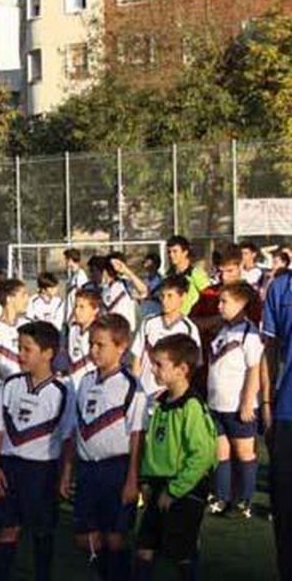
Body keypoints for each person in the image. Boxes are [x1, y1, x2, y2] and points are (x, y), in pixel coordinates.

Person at [59, 315, 145, 581]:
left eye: (101, 345)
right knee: (86, 537)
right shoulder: (84, 381)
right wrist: (67, 471)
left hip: (116, 470)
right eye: (91, 344)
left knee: (115, 537)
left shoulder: (131, 386)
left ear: (121, 347)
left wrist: (132, 479)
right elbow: (75, 429)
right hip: (87, 470)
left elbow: (137, 436)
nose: (93, 350)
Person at [0, 321, 74, 581]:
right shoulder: (10, 384)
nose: (20, 354)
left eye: (27, 349)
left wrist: (65, 475)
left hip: (42, 471)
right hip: (9, 466)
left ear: (48, 353)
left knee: (42, 530)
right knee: (7, 528)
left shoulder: (62, 391)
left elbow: (68, 437)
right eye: (19, 348)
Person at [135, 334, 217, 581]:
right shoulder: (160, 401)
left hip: (182, 488)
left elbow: (203, 455)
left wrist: (175, 490)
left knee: (180, 551)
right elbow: (155, 447)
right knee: (144, 548)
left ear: (181, 369)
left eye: (160, 364)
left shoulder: (191, 406)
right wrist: (147, 480)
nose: (154, 369)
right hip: (159, 485)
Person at [206, 282, 263, 519]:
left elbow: (254, 369)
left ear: (241, 304)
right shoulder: (224, 329)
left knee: (244, 453)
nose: (219, 306)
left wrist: (248, 401)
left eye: (224, 302)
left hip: (237, 405)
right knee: (221, 453)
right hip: (217, 403)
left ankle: (244, 501)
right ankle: (222, 497)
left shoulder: (249, 333)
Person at [263, 249, 292, 579]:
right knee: (285, 510)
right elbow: (268, 351)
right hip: (286, 413)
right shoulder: (280, 289)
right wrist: (267, 405)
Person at [131, 276, 201, 399]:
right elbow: (137, 358)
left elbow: (193, 367)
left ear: (182, 297)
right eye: (162, 296)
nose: (164, 301)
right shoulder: (149, 322)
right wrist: (136, 387)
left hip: (171, 396)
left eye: (170, 296)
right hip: (144, 392)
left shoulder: (189, 329)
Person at [58, 291, 100, 389]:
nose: (76, 311)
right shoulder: (73, 330)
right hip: (71, 386)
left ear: (95, 310)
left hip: (91, 387)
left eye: (82, 307)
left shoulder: (100, 333)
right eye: (76, 306)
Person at [166, 236, 211, 315]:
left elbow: (209, 296)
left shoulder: (196, 273)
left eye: (175, 251)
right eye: (169, 252)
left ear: (185, 252)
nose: (171, 255)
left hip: (192, 318)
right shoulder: (169, 275)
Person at [64, 248, 89, 323]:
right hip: (69, 313)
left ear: (71, 260)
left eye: (66, 259)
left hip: (74, 315)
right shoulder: (72, 275)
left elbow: (81, 295)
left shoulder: (80, 275)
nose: (65, 262)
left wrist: (74, 313)